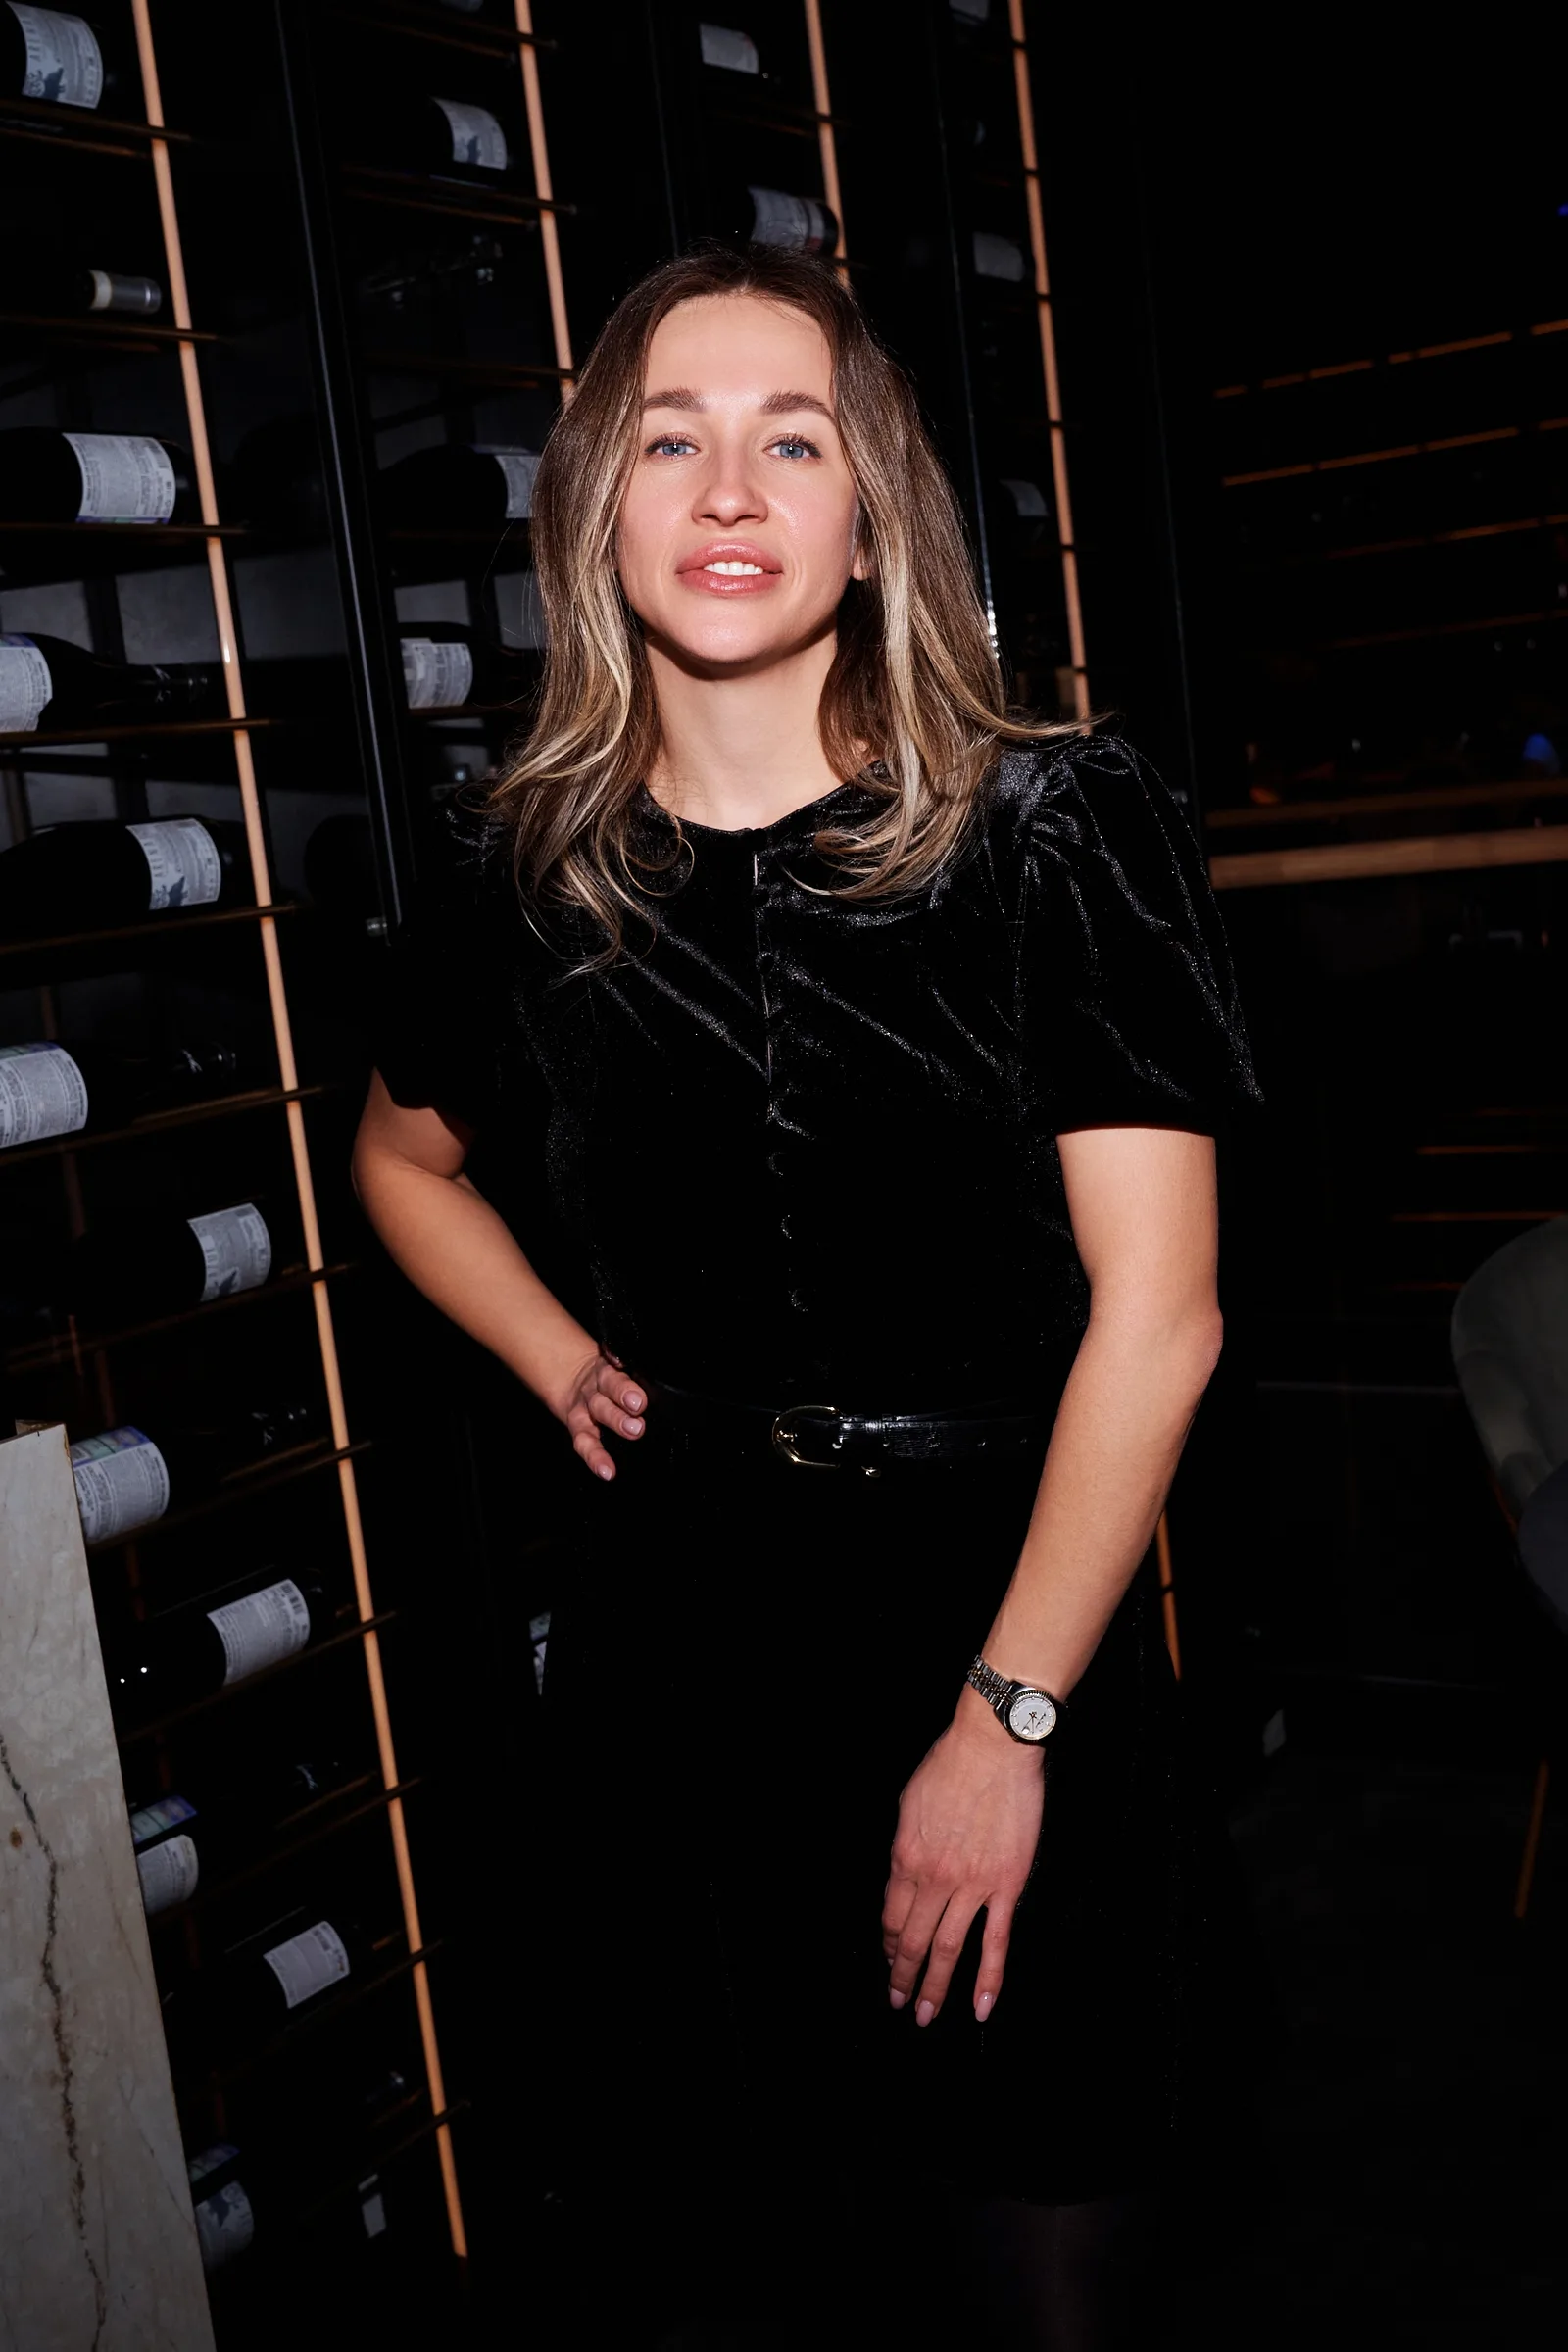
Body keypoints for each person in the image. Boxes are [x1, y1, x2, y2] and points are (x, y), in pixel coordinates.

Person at [353, 241, 1264, 2348]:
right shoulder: (526, 870)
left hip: (997, 1612)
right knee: (742, 2250)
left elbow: (1164, 1317)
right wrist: (552, 1350)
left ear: (872, 520)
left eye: (794, 441)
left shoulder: (1049, 827)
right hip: (675, 1661)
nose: (730, 491)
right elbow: (399, 1163)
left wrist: (1003, 1726)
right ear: (597, 505)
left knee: (1038, 2258)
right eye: (670, 440)